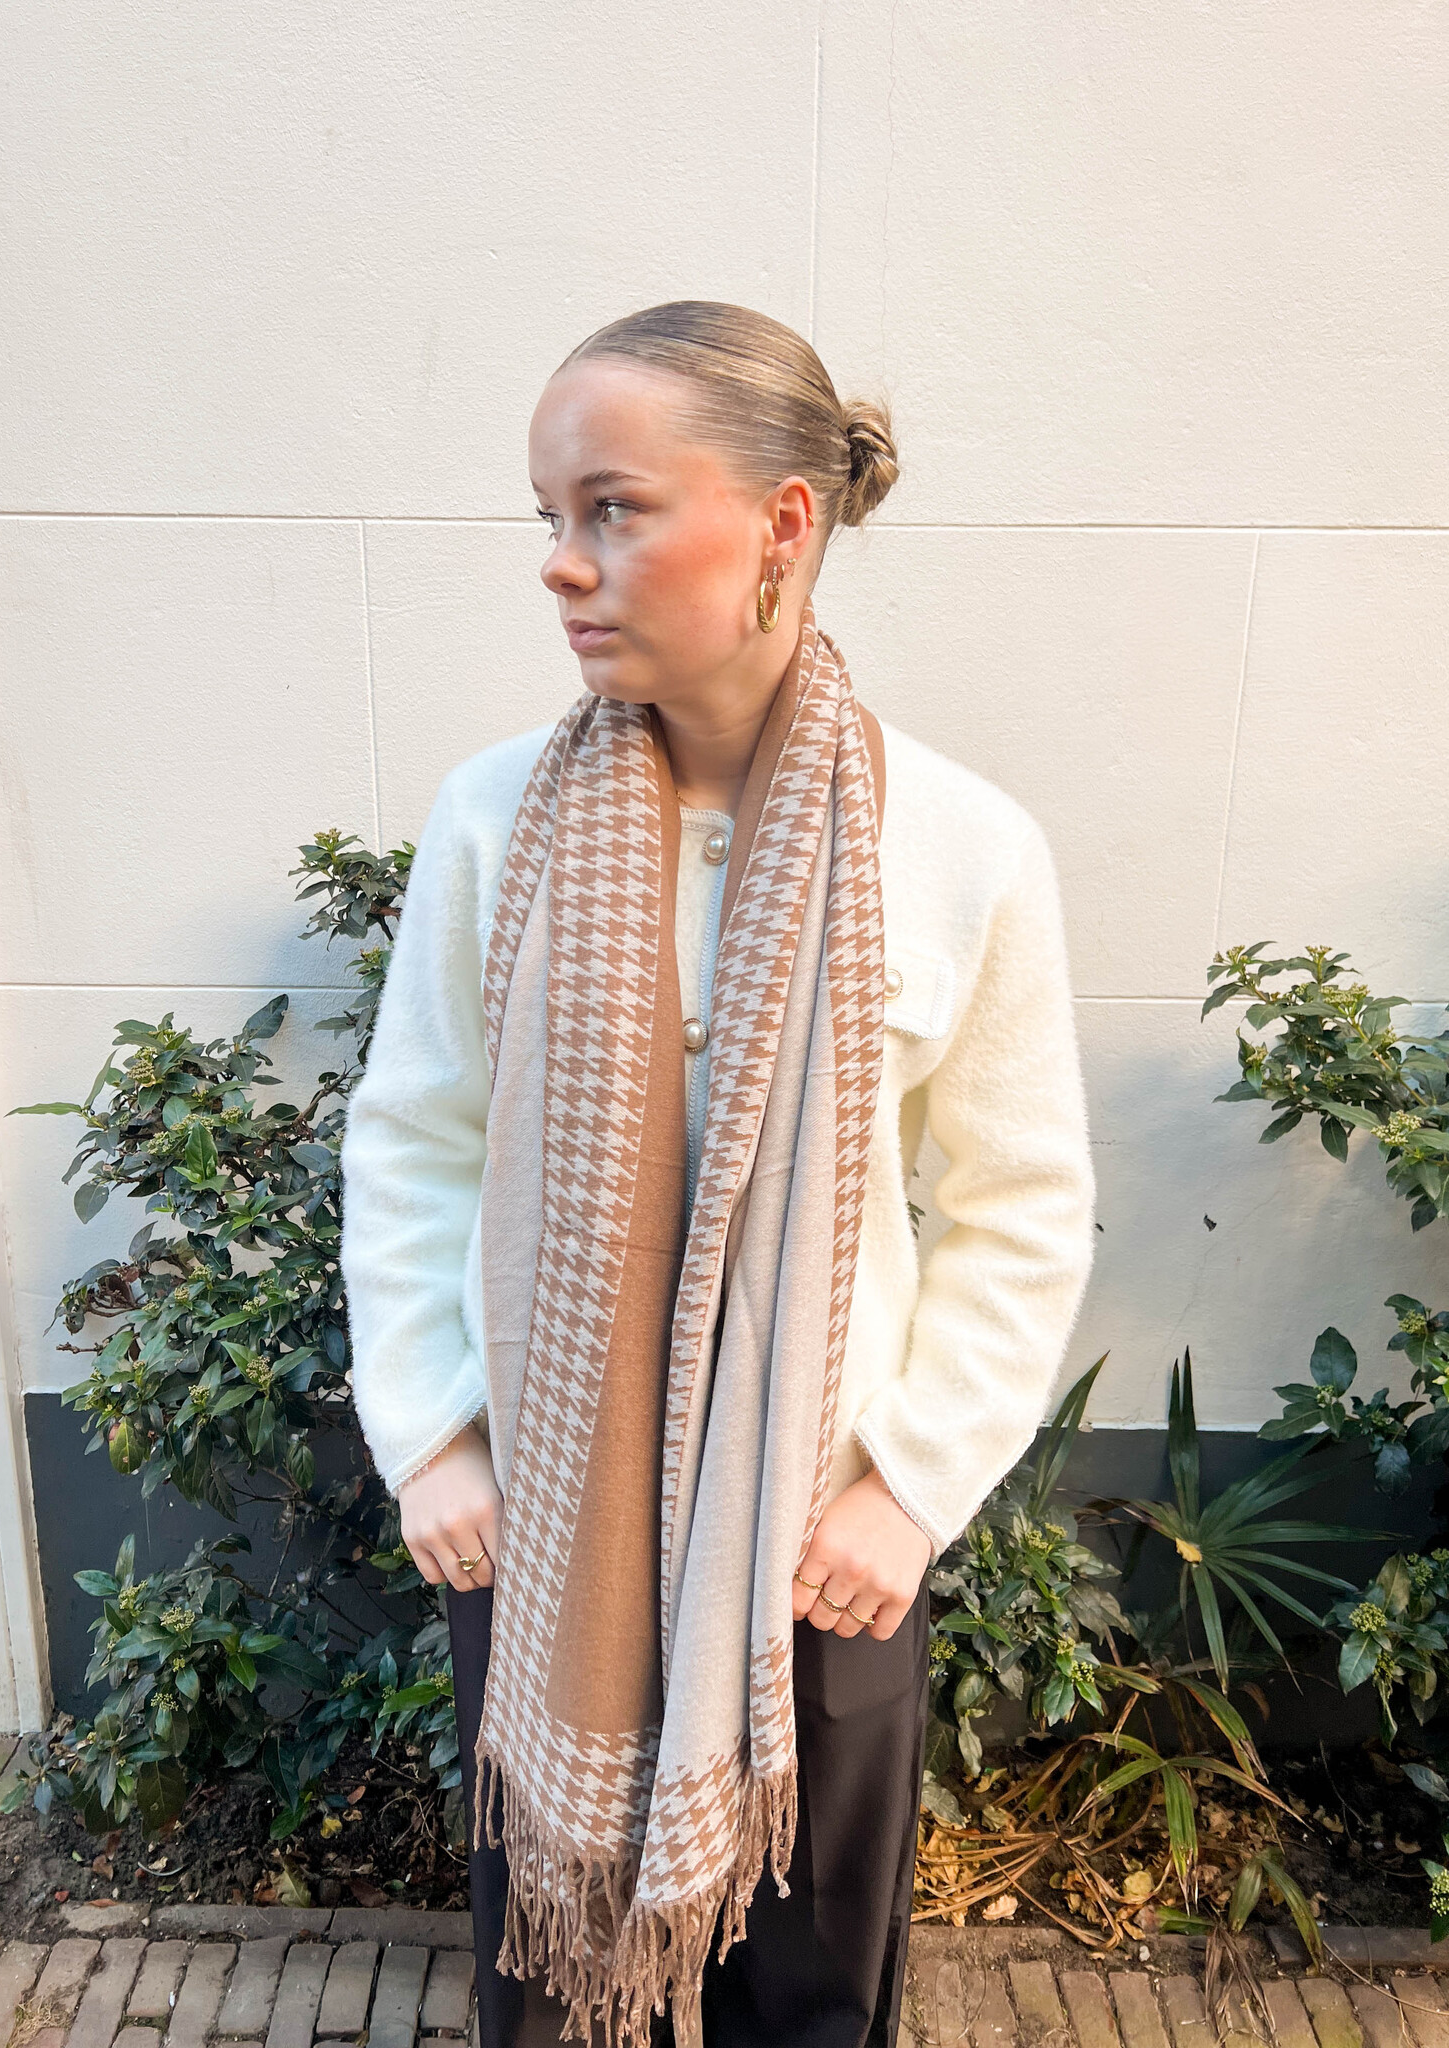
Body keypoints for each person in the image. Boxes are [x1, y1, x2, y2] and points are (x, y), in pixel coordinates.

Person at [338, 300, 1098, 2048]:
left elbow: (1021, 1204)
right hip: (545, 1517)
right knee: (549, 1973)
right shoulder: (495, 821)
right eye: (550, 515)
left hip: (819, 1542)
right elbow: (415, 1139)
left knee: (809, 1992)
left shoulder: (959, 846)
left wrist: (910, 1483)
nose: (561, 561)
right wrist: (433, 1430)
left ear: (780, 526)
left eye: (610, 509)